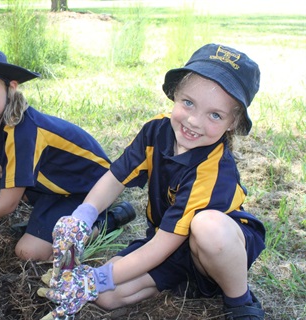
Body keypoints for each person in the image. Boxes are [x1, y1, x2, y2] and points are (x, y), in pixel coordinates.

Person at [44, 43, 266, 320]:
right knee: (105, 296)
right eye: (188, 103)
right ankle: (182, 282)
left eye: (215, 115)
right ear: (175, 95)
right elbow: (116, 177)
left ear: (233, 122)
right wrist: (82, 216)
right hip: (170, 240)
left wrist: (95, 277)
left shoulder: (214, 170)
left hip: (214, 247)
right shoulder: (156, 131)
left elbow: (163, 245)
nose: (194, 121)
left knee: (208, 228)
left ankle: (239, 300)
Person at [0, 47, 136, 275]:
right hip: (54, 185)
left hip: (89, 192)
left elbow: (7, 203)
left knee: (28, 252)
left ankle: (106, 220)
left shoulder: (24, 132)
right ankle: (46, 220)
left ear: (10, 87)